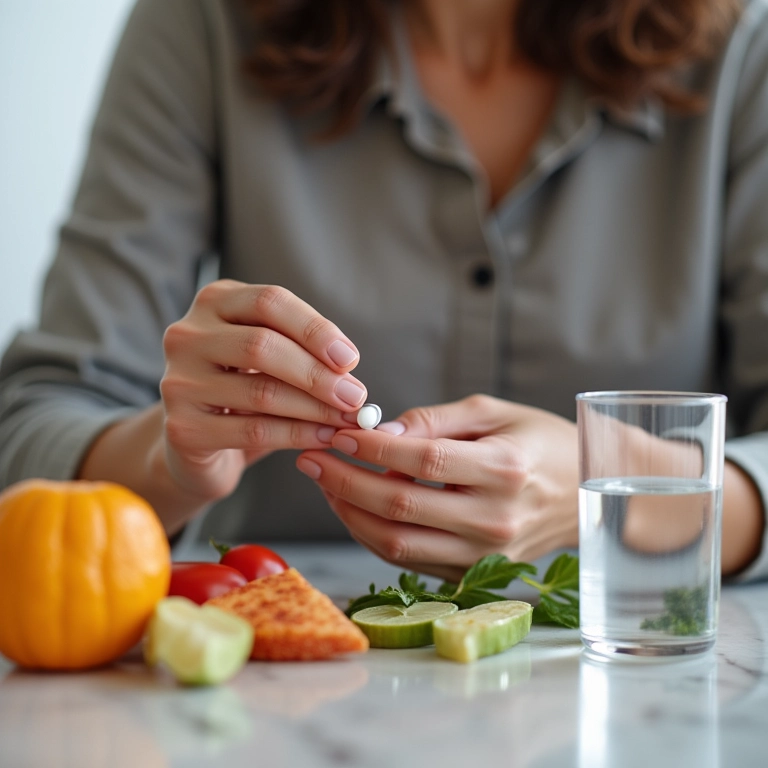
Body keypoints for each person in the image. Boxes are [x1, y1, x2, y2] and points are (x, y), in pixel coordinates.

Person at [0, 0, 766, 583]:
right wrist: (170, 461)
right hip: (278, 694)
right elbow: (32, 423)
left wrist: (615, 493)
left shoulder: (743, 48)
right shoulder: (204, 23)